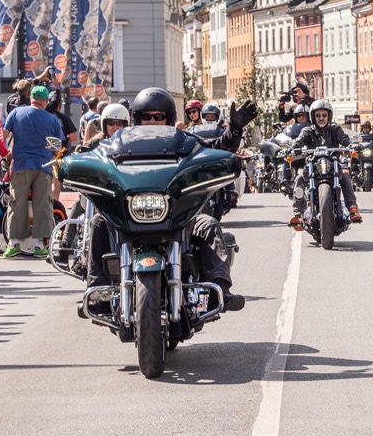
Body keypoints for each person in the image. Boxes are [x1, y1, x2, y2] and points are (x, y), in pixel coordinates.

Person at [81, 89, 253, 312]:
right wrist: (78, 161)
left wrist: (235, 129)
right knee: (99, 222)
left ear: (168, 118)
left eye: (158, 116)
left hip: (178, 215)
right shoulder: (117, 145)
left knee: (208, 224)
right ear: (137, 119)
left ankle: (219, 290)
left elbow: (217, 148)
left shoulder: (185, 143)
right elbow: (93, 156)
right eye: (147, 116)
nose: (152, 121)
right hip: (130, 214)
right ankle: (97, 291)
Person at [1, 85, 64, 258]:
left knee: (16, 203)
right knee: (42, 204)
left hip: (21, 164)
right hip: (43, 166)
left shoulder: (16, 114)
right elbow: (57, 148)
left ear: (31, 98)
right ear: (45, 101)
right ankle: (39, 245)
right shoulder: (52, 120)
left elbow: (3, 136)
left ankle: (13, 243)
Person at [290, 99, 362, 228]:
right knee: (299, 178)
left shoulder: (335, 129)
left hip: (332, 165)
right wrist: (294, 147)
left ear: (329, 116)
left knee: (345, 176)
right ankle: (298, 213)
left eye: (324, 115)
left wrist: (351, 145)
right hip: (312, 166)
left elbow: (344, 139)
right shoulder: (308, 130)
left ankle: (352, 208)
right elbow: (299, 140)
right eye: (318, 116)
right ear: (313, 117)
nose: (321, 118)